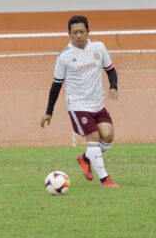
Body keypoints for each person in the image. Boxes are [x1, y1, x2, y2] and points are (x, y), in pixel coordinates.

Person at [40, 15, 120, 188]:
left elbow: (110, 70)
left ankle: (84, 158)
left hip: (98, 104)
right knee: (93, 138)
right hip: (78, 106)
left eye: (82, 31)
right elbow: (56, 85)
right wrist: (49, 111)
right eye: (74, 32)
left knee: (107, 136)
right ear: (69, 33)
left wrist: (113, 86)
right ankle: (105, 179)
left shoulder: (99, 47)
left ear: (88, 31)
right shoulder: (64, 57)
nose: (78, 35)